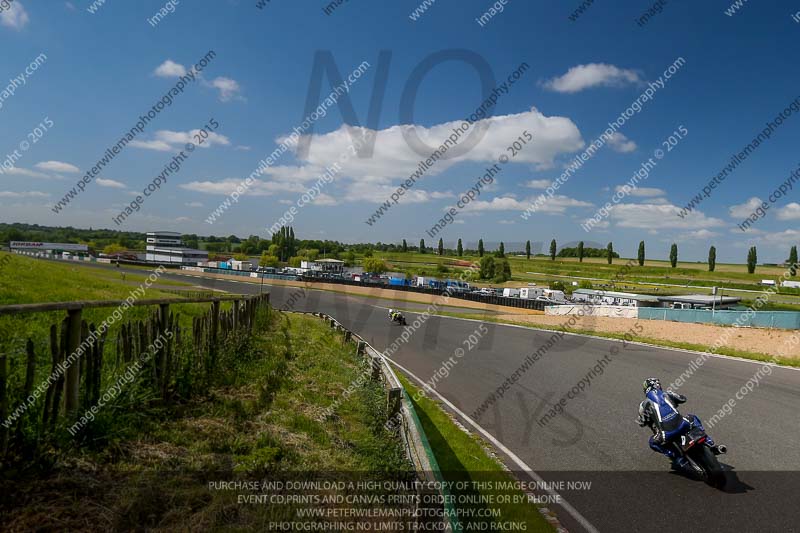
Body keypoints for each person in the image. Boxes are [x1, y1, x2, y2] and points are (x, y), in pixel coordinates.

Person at [637, 377, 723, 470]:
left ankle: (676, 457)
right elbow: (682, 399)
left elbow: (641, 422)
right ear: (656, 385)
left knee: (652, 443)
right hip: (683, 425)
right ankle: (709, 442)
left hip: (666, 434)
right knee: (693, 417)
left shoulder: (643, 405)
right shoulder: (667, 393)